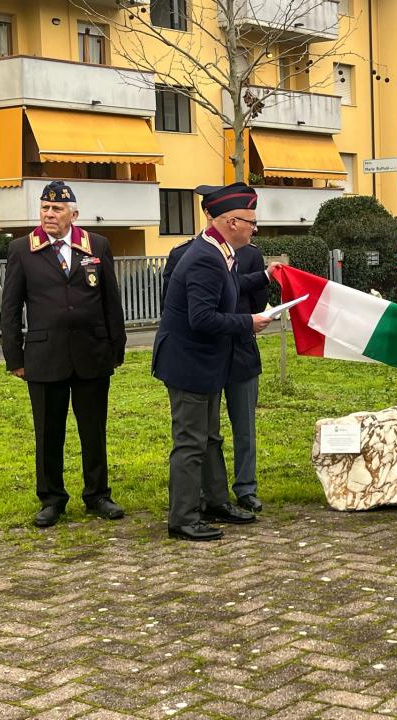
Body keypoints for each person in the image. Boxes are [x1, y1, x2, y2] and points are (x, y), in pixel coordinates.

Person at [1, 180, 127, 528]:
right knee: (48, 432)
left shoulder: (96, 245)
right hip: (44, 356)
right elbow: (10, 307)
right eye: (44, 208)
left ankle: (98, 495)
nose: (49, 214)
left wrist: (117, 347)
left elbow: (110, 300)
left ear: (74, 213)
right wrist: (14, 357)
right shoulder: (23, 249)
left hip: (92, 352)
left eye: (57, 209)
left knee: (93, 430)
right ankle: (52, 499)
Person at [152, 182, 270, 541]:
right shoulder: (205, 257)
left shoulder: (221, 252)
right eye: (250, 221)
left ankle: (216, 502)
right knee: (190, 441)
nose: (254, 228)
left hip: (205, 362)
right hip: (188, 363)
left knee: (210, 438)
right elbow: (201, 318)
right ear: (230, 221)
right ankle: (183, 518)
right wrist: (248, 322)